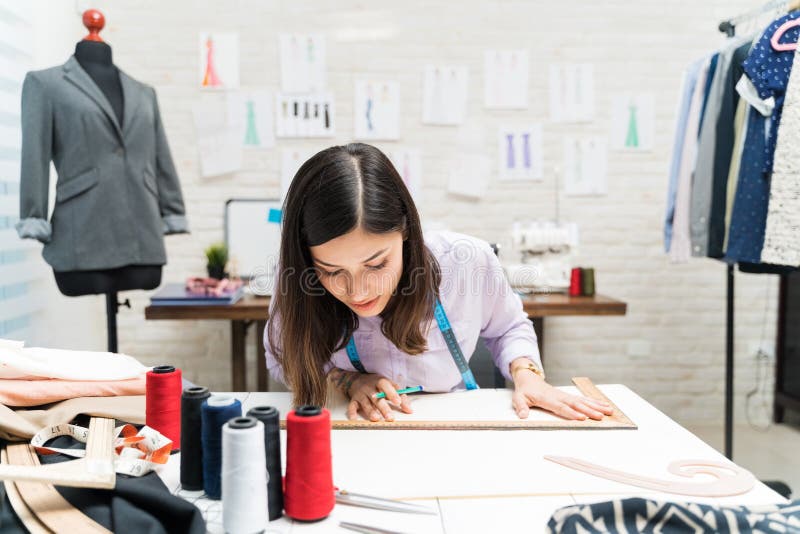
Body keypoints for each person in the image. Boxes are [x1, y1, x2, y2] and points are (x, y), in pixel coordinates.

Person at [265, 143, 613, 422]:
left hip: (453, 429)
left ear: (406, 232)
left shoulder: (466, 262)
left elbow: (508, 327)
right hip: (352, 428)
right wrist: (348, 380)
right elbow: (283, 356)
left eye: (376, 264)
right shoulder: (296, 276)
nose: (357, 291)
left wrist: (528, 376)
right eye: (331, 271)